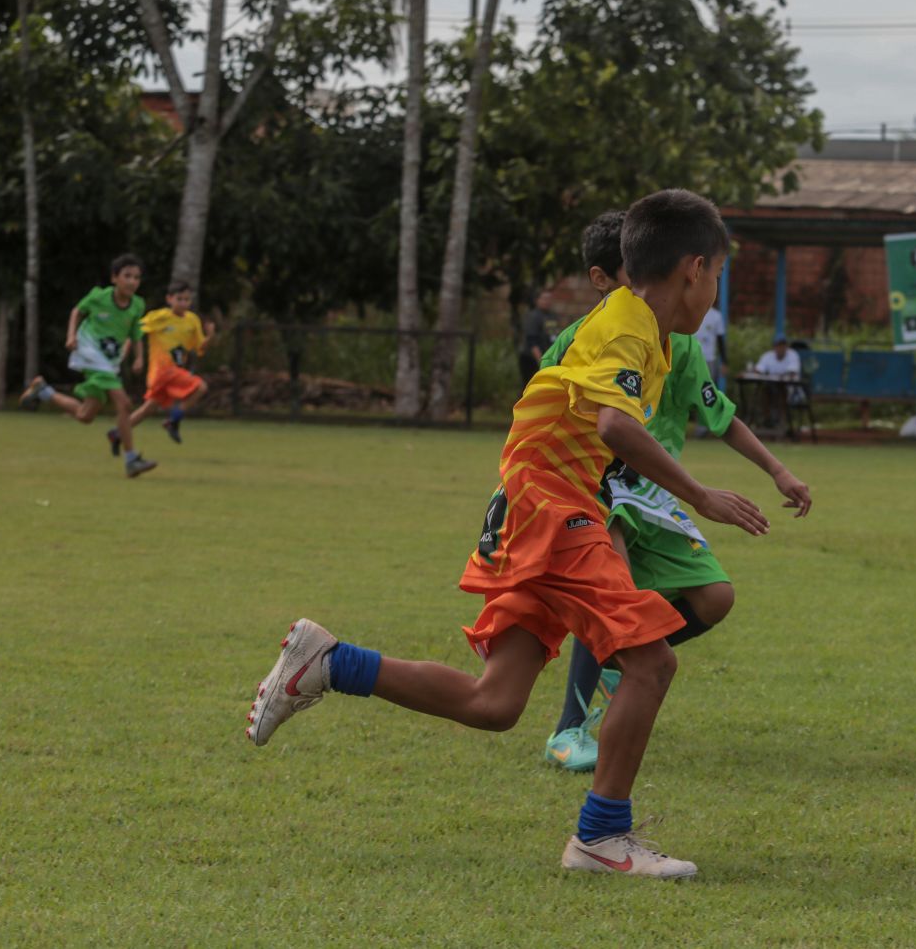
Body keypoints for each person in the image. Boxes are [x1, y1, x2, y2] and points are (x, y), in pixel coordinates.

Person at [244, 190, 769, 880]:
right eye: (721, 275)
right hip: (552, 505)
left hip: (539, 501)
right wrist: (702, 495)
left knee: (494, 702)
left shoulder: (647, 334)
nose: (716, 290)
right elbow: (615, 427)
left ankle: (329, 661)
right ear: (694, 269)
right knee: (651, 661)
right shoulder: (627, 325)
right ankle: (601, 836)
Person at [537, 211, 812, 773]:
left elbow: (720, 415)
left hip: (651, 489)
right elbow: (557, 414)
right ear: (606, 279)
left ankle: (620, 667)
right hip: (595, 484)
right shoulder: (586, 338)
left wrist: (778, 471)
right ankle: (570, 728)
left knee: (715, 598)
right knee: (609, 598)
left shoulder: (679, 345)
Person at [19, 254, 157, 478]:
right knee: (123, 403)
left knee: (86, 415)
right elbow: (78, 311)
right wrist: (71, 335)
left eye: (137, 277)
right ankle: (131, 460)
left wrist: (140, 357)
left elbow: (136, 333)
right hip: (89, 350)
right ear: (114, 278)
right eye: (127, 276)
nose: (132, 281)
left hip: (109, 360)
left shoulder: (137, 305)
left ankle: (43, 391)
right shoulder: (99, 297)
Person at [107, 279, 214, 456]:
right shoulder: (160, 317)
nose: (183, 303)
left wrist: (210, 336)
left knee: (148, 409)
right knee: (201, 387)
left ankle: (117, 433)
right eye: (179, 299)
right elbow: (135, 331)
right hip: (162, 371)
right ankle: (173, 420)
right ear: (169, 299)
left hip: (174, 372)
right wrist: (135, 356)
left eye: (187, 300)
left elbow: (200, 347)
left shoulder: (192, 320)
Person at [751, 336, 803, 430]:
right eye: (778, 346)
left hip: (790, 389)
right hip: (771, 387)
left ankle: (782, 422)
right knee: (764, 390)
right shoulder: (767, 356)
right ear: (774, 347)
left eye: (783, 345)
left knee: (782, 391)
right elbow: (758, 369)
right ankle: (767, 420)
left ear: (786, 347)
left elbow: (792, 372)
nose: (781, 348)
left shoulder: (793, 355)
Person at [517, 289, 557, 389]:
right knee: (530, 388)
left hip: (546, 359)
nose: (547, 301)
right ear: (537, 300)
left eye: (549, 299)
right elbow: (532, 341)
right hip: (531, 359)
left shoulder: (551, 316)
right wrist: (540, 360)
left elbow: (553, 338)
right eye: (544, 299)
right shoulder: (533, 316)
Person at [696, 301, 727, 387]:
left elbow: (720, 341)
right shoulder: (693, 312)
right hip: (693, 358)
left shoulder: (716, 316)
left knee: (708, 388)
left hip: (709, 360)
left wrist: (724, 362)